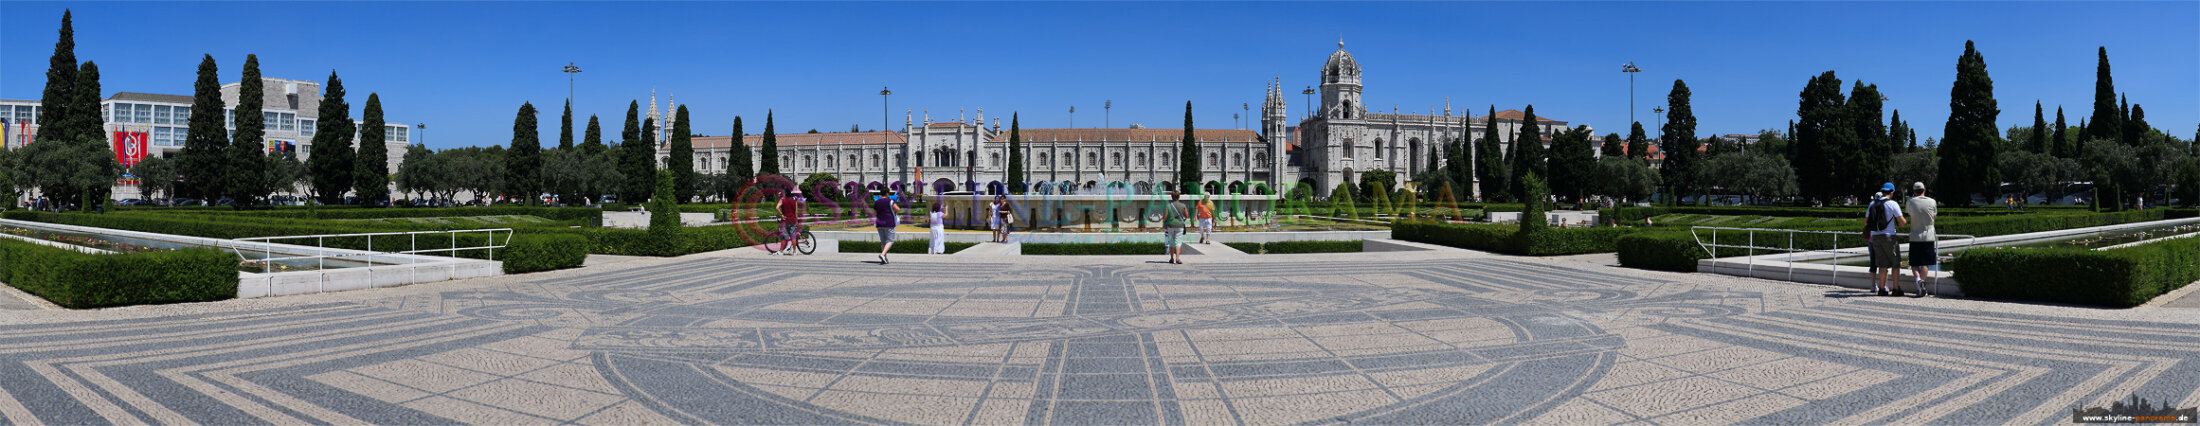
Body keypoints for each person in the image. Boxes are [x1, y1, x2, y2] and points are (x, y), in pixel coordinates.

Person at [1864, 183, 1908, 296]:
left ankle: (1882, 289)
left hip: (1875, 237)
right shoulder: (1892, 204)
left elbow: (1866, 222)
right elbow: (1902, 222)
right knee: (1895, 263)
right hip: (1889, 236)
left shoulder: (1872, 204)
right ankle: (1896, 289)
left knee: (1882, 265)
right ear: (1892, 192)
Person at [1904, 182, 1938, 297]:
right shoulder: (1932, 201)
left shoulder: (1910, 201)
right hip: (1928, 236)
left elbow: (1910, 215)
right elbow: (1934, 217)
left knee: (1914, 263)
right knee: (1925, 263)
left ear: (1913, 191)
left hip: (1914, 236)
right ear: (1925, 189)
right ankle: (1921, 284)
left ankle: (1918, 280)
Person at [873, 193, 901, 264]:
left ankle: (885, 258)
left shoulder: (877, 202)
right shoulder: (890, 201)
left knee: (883, 242)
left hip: (879, 223)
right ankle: (882, 254)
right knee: (890, 240)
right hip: (889, 222)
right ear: (887, 193)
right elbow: (897, 209)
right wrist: (894, 213)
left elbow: (875, 212)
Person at [1164, 191, 1188, 264]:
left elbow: (1165, 217)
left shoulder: (1168, 206)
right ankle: (1177, 258)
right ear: (1179, 197)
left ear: (1172, 197)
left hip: (1170, 226)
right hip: (1179, 226)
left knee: (1171, 242)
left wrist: (1164, 224)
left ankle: (1171, 258)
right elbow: (1186, 216)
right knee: (1178, 242)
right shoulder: (1183, 205)